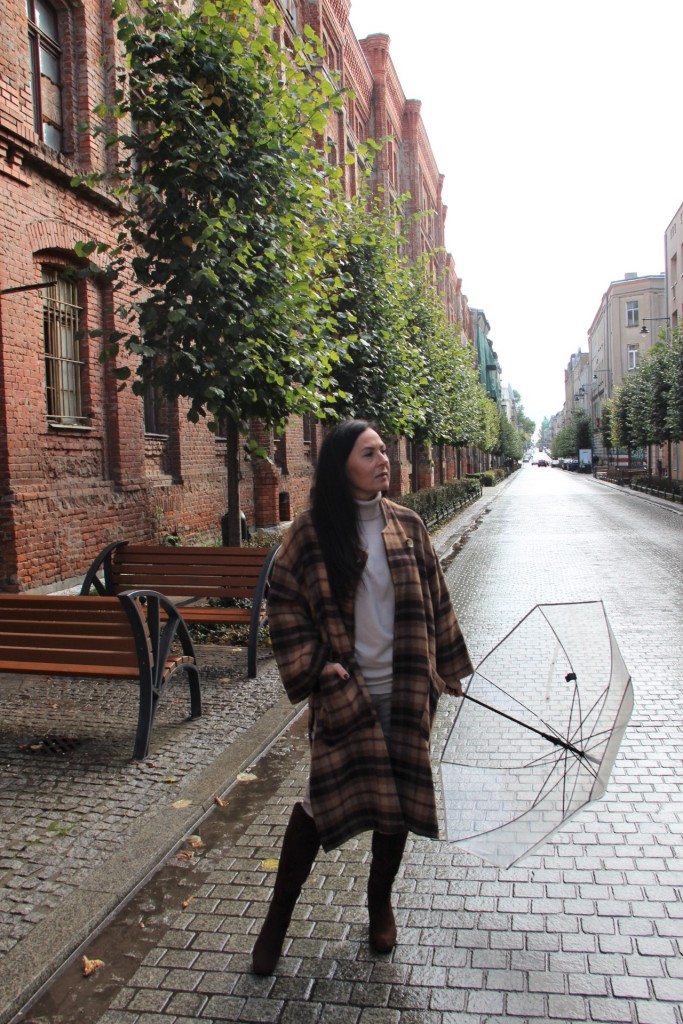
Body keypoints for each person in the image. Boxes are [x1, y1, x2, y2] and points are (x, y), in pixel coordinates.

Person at [252, 419, 473, 975]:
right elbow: (284, 604)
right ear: (341, 465)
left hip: (406, 689)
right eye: (369, 453)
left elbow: (437, 597)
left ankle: (379, 905)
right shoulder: (310, 533)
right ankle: (276, 921)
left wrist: (447, 666)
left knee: (397, 804)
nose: (384, 460)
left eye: (383, 452)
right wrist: (315, 666)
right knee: (318, 804)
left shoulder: (408, 524)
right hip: (346, 693)